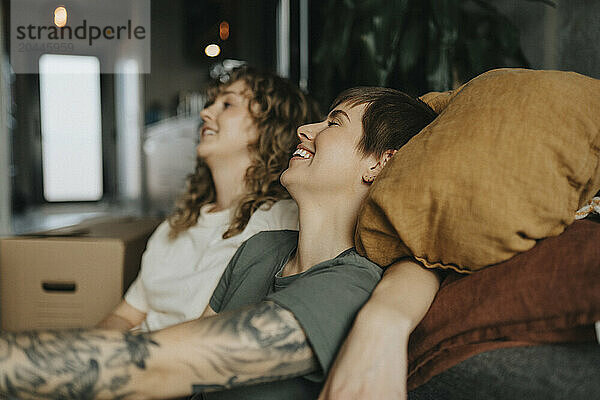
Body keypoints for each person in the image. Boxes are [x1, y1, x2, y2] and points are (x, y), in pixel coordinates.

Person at [0, 87, 438, 400]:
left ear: (380, 162)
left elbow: (158, 365)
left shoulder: (349, 288)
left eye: (333, 122)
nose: (306, 129)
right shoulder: (262, 248)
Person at [97, 67, 321, 331]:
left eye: (227, 104)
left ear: (269, 126)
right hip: (129, 357)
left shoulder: (284, 221)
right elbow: (125, 315)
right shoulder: (176, 225)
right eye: (211, 103)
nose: (205, 113)